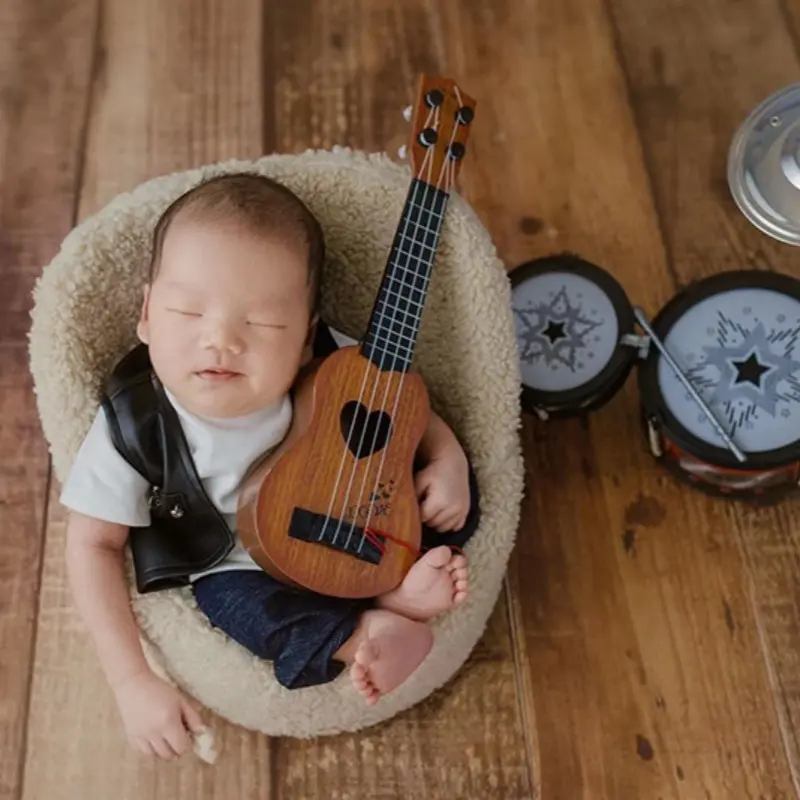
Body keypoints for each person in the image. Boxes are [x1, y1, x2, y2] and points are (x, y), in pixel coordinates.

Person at [60, 173, 481, 761]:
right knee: (235, 606)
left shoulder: (328, 360)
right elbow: (92, 546)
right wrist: (132, 681)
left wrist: (448, 457)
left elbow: (398, 400)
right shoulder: (132, 422)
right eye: (187, 311)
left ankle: (395, 589)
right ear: (148, 314)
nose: (221, 340)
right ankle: (368, 630)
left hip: (348, 515)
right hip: (240, 562)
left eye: (261, 324)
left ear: (306, 338)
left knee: (450, 502)